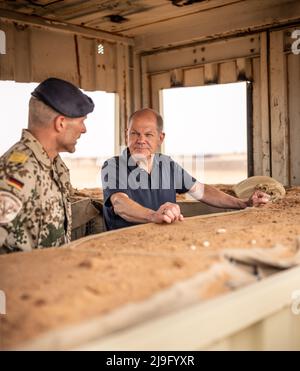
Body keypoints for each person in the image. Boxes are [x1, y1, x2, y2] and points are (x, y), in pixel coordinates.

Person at [102, 108, 270, 230]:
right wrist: (154, 216)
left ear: (161, 138)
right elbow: (120, 203)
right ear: (126, 134)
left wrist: (244, 203)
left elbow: (201, 191)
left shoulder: (167, 164)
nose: (141, 140)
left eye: (148, 134)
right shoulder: (113, 166)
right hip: (125, 247)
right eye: (135, 133)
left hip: (165, 242)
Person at [0, 77, 94, 253]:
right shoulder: (17, 172)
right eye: (82, 121)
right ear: (60, 123)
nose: (84, 129)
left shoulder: (55, 165)